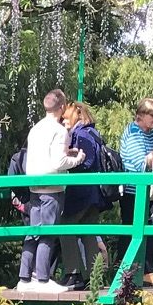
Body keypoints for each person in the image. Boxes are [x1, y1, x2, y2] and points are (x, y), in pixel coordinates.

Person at [9, 89, 82, 295]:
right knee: (47, 233)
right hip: (51, 187)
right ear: (61, 107)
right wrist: (77, 159)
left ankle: (24, 277)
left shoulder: (36, 128)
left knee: (34, 231)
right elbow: (58, 161)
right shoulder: (59, 131)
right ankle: (42, 279)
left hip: (34, 186)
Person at [119, 98, 153, 286]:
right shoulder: (133, 133)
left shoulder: (150, 133)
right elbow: (142, 164)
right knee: (135, 231)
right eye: (152, 115)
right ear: (140, 115)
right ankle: (132, 273)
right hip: (135, 192)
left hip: (152, 192)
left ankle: (146, 271)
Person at [59, 103, 114, 288]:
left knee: (65, 228)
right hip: (94, 193)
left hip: (82, 192)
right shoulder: (93, 133)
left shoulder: (81, 134)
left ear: (76, 115)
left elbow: (87, 161)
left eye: (66, 117)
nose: (64, 120)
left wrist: (71, 156)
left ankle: (73, 273)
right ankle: (93, 276)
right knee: (87, 232)